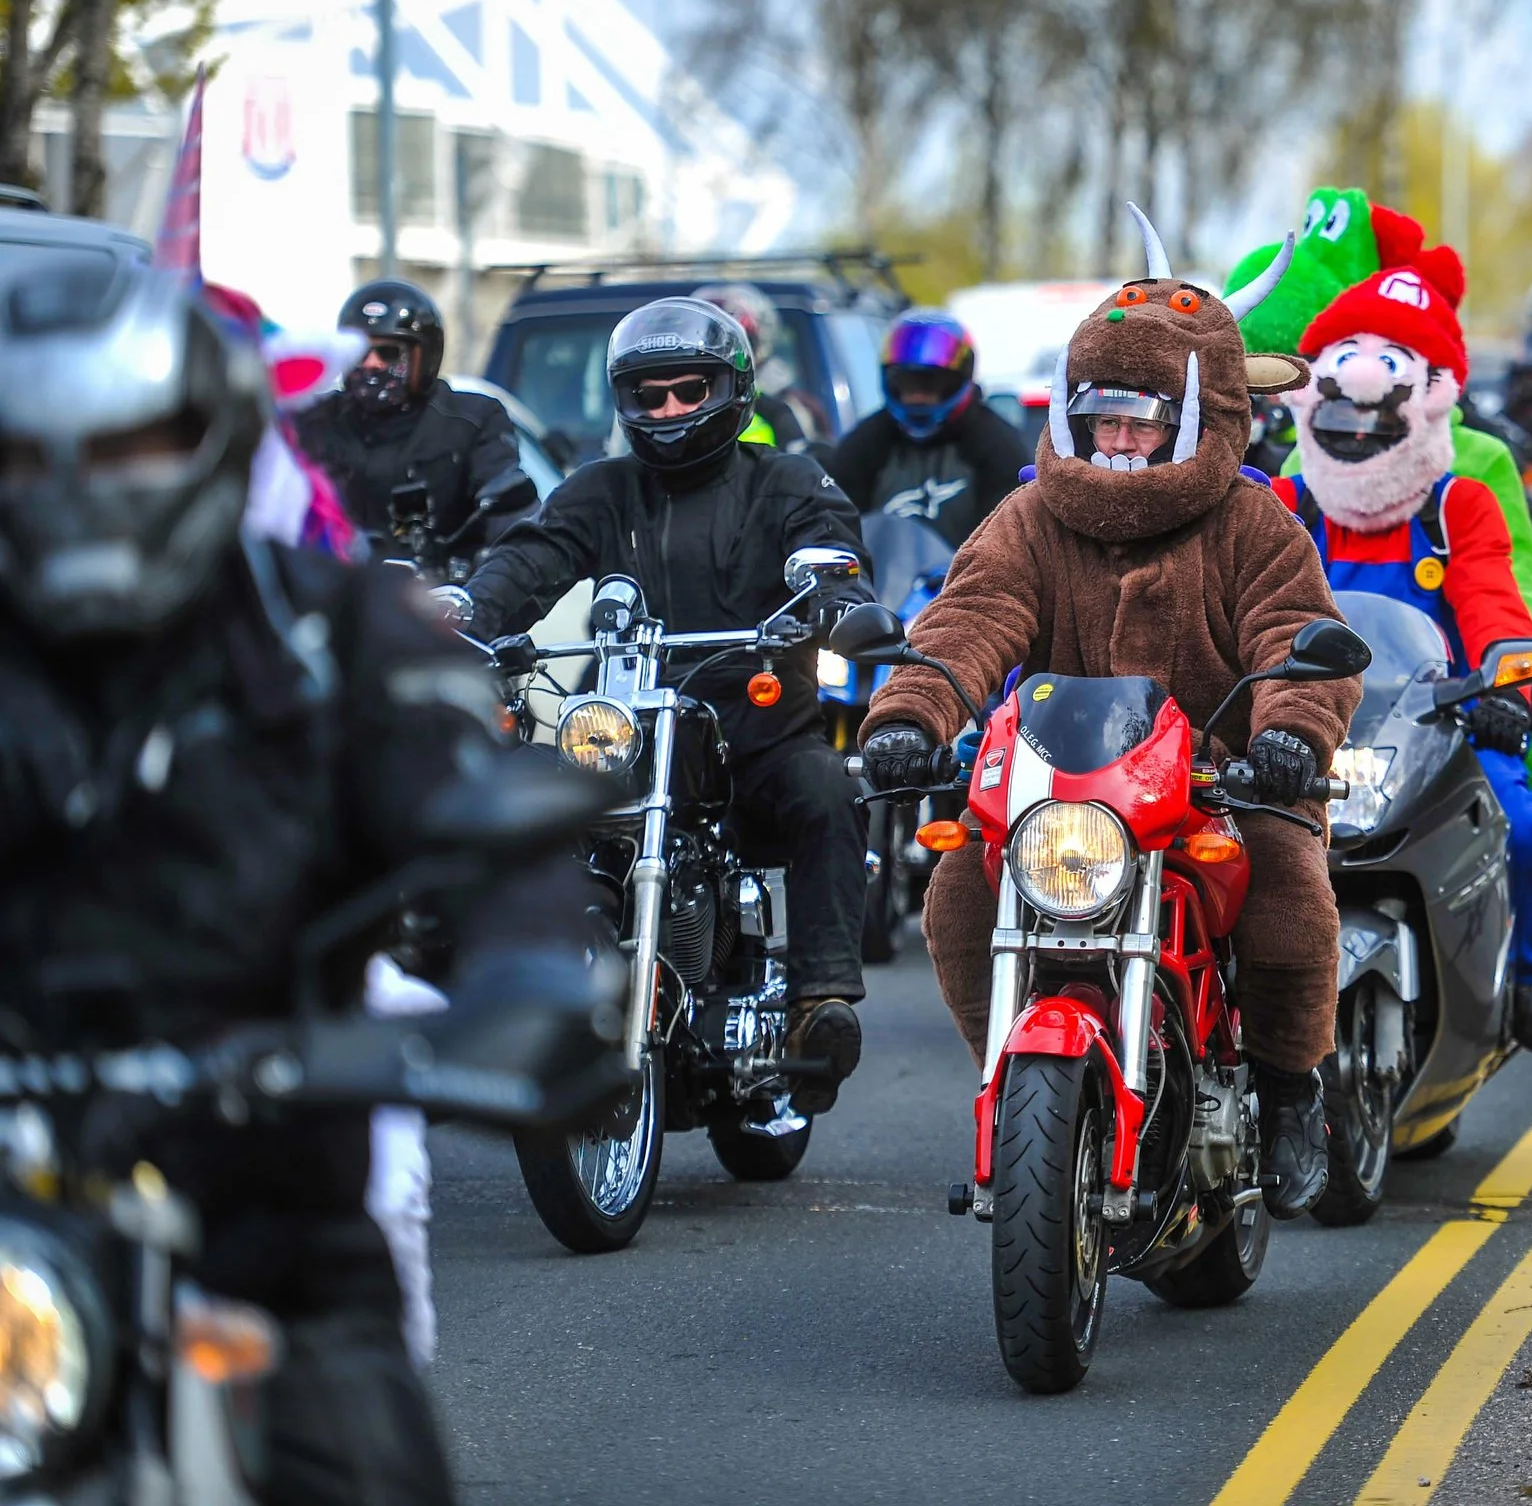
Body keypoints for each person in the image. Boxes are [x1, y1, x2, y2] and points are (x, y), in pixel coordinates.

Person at [0, 258, 607, 1504]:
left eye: (126, 450)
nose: (77, 496)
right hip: (18, 1210)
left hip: (268, 1207)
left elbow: (480, 820)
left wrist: (527, 977)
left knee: (367, 1464)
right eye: (28, 458)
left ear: (212, 442)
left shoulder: (333, 637)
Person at [855, 211, 1359, 1220]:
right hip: (1058, 785)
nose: (1116, 439)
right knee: (956, 893)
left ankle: (1293, 1089)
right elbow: (970, 615)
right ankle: (1019, 1094)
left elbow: (1294, 633)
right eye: (1099, 418)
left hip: (1219, 780)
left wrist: (1291, 736)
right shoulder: (1030, 514)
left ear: (1194, 418)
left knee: (1290, 894)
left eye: (1140, 419)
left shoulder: (1254, 521)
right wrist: (911, 710)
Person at [447, 296, 877, 1112]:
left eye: (689, 390)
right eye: (650, 396)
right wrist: (470, 610)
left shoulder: (781, 478)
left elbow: (830, 541)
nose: (671, 410)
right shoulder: (603, 490)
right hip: (630, 735)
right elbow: (535, 554)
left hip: (753, 738)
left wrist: (829, 587)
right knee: (524, 802)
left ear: (732, 389)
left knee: (827, 785)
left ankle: (820, 999)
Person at [1272, 249, 1532, 1051]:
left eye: (1379, 413)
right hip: (1299, 726)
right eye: (1342, 414)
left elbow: (1493, 599)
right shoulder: (1284, 503)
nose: (1359, 428)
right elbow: (1235, 603)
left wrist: (1512, 684)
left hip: (1434, 723)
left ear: (1431, 398)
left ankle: (1526, 975)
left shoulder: (1457, 506)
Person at [293, 278, 534, 576]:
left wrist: (488, 578)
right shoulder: (312, 420)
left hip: (444, 603)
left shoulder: (472, 420)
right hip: (328, 596)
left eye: (389, 353)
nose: (371, 364)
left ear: (425, 356)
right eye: (359, 352)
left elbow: (511, 514)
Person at [823, 308, 1029, 546]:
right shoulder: (865, 442)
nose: (918, 398)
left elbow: (1009, 535)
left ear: (959, 378)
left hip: (964, 579)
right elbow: (836, 520)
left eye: (931, 385)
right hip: (881, 579)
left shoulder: (997, 445)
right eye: (908, 385)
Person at [691, 280, 826, 445]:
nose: (723, 355)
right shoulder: (677, 398)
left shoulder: (788, 407)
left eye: (736, 343)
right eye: (709, 342)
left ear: (759, 343)